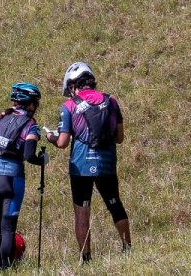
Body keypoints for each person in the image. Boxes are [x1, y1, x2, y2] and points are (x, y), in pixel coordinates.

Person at [46, 62, 130, 263]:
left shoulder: (69, 106)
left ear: (73, 85)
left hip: (81, 167)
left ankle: (86, 258)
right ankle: (128, 248)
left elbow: (63, 142)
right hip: (107, 164)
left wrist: (51, 137)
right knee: (114, 204)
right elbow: (120, 137)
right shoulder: (111, 101)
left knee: (82, 211)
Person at [0, 83, 47, 273]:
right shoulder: (31, 125)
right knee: (8, 227)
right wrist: (42, 160)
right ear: (31, 104)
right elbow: (29, 155)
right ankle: (7, 269)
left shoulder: (0, 118)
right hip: (12, 178)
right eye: (36, 103)